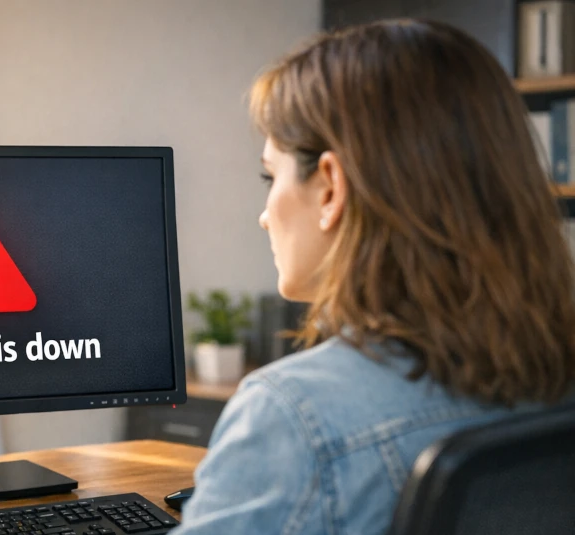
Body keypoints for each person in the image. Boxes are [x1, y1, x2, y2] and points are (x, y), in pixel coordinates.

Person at [173, 19, 575, 534]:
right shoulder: (556, 378)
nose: (265, 214)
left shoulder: (293, 417)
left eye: (269, 177)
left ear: (330, 189)